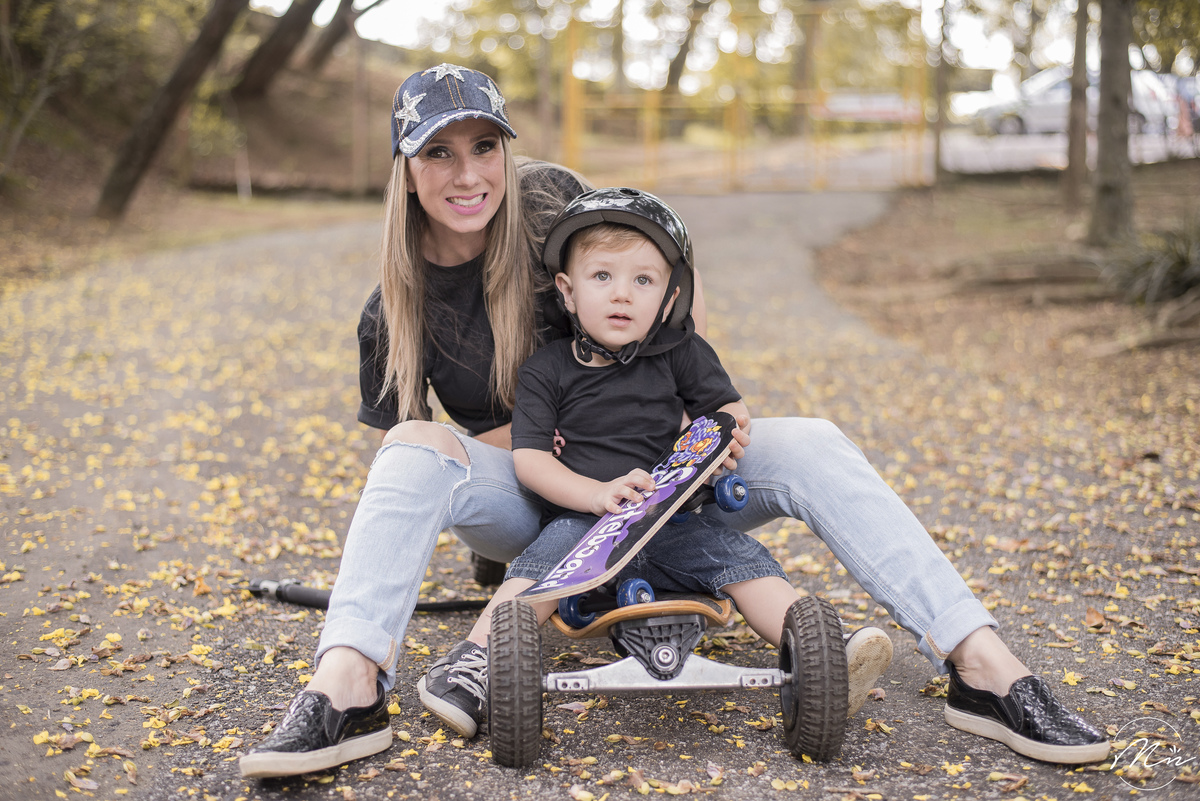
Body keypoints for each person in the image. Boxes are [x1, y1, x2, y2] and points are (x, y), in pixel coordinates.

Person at [239, 63, 1107, 781]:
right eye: (437, 153)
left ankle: (983, 667)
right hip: (534, 495)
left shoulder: (547, 205)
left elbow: (652, 301)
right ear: (404, 167)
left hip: (665, 474)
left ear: (508, 148)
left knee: (813, 438)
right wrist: (560, 461)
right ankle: (348, 684)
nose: (467, 174)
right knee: (407, 446)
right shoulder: (387, 316)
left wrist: (710, 422)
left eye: (484, 146)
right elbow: (425, 475)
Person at [416, 187, 894, 739]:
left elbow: (727, 408)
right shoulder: (545, 370)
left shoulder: (679, 354)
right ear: (568, 293)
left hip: (673, 517)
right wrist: (594, 495)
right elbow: (529, 460)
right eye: (603, 278)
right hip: (586, 525)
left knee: (744, 563)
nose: (622, 295)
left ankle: (819, 653)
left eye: (643, 281)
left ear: (667, 297)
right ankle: (475, 665)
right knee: (535, 576)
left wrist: (718, 434)